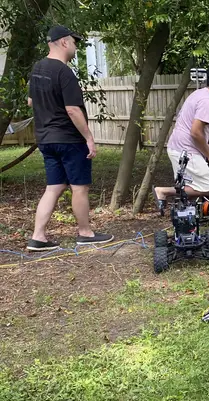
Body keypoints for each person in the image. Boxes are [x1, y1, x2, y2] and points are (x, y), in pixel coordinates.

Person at [26, 25, 113, 251]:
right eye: (74, 43)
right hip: (68, 139)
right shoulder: (64, 72)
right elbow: (73, 109)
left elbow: (31, 102)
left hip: (45, 139)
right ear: (64, 42)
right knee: (79, 187)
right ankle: (85, 232)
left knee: (53, 187)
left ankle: (38, 237)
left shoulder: (37, 69)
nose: (75, 47)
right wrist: (89, 138)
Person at [153, 62, 209, 213]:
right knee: (208, 187)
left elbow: (194, 129)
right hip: (185, 151)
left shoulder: (199, 94)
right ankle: (163, 191)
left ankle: (187, 217)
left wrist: (207, 147)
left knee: (189, 186)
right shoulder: (208, 102)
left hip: (178, 147)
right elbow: (195, 132)